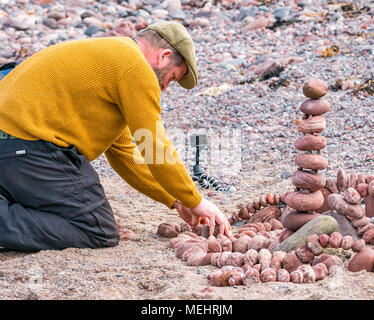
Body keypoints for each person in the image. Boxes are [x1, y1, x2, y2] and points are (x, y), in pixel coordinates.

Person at [0, 21, 233, 251]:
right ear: (164, 56)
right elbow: (153, 145)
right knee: (96, 229)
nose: (163, 88)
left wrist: (176, 199)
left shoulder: (113, 60)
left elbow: (125, 155)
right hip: (24, 144)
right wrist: (197, 200)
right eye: (171, 78)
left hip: (13, 145)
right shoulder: (135, 67)